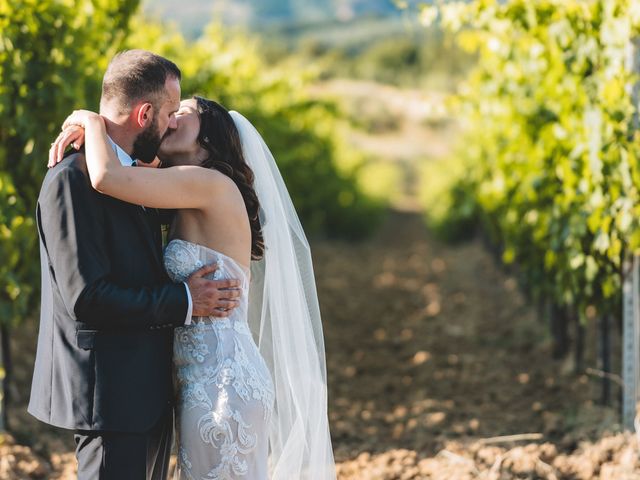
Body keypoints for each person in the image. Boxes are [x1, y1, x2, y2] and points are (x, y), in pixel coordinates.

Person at [50, 96, 336, 479]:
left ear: (209, 137)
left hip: (221, 380)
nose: (168, 119)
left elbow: (107, 178)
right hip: (203, 377)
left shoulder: (209, 183)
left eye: (181, 114)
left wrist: (92, 120)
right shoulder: (186, 190)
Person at [29, 50, 242, 480]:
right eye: (168, 114)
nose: (170, 126)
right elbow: (87, 297)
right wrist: (185, 299)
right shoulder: (73, 178)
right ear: (145, 114)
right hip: (110, 398)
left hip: (149, 395)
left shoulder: (140, 178)